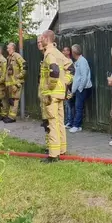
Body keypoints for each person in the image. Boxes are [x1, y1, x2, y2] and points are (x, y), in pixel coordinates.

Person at [39, 30, 73, 162]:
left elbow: (54, 70)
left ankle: (53, 155)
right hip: (60, 93)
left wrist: (50, 87)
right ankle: (62, 150)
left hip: (52, 94)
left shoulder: (49, 53)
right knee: (60, 122)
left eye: (42, 37)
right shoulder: (58, 53)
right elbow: (70, 67)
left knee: (52, 122)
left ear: (46, 38)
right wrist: (65, 83)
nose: (40, 39)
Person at [69, 44, 92, 133]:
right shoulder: (78, 61)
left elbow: (84, 76)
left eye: (72, 51)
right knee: (76, 106)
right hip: (78, 88)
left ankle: (76, 125)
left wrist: (80, 88)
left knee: (78, 107)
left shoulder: (82, 61)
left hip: (82, 88)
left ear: (74, 52)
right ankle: (76, 125)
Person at [4, 42, 26, 123]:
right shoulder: (9, 57)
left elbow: (24, 65)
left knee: (15, 99)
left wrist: (20, 75)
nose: (7, 49)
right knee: (11, 100)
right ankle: (10, 116)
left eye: (8, 48)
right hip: (10, 83)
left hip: (16, 83)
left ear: (12, 48)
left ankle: (12, 118)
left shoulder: (17, 56)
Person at [62, 46, 75, 128]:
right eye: (63, 50)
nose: (64, 52)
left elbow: (71, 74)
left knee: (68, 104)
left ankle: (70, 122)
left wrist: (67, 84)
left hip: (68, 85)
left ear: (69, 52)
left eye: (66, 50)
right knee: (65, 104)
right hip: (63, 84)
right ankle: (66, 121)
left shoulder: (69, 62)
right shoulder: (63, 60)